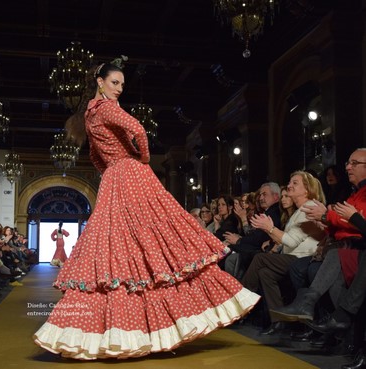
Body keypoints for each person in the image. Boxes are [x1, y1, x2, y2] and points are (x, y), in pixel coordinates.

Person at [33, 61, 260, 360]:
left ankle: (126, 333)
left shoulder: (89, 115)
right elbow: (138, 128)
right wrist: (142, 158)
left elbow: (94, 155)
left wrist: (110, 170)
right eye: (114, 82)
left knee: (125, 244)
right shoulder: (105, 108)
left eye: (122, 85)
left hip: (115, 177)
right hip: (130, 175)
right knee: (152, 239)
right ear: (100, 82)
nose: (119, 89)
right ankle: (159, 330)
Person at [242, 172, 325, 334]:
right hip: (292, 257)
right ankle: (279, 322)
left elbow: (292, 242)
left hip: (304, 259)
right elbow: (286, 241)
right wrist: (270, 230)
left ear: (307, 190)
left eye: (295, 183)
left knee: (260, 259)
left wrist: (270, 228)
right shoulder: (299, 210)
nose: (289, 186)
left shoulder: (310, 207)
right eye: (289, 182)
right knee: (266, 273)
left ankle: (240, 298)